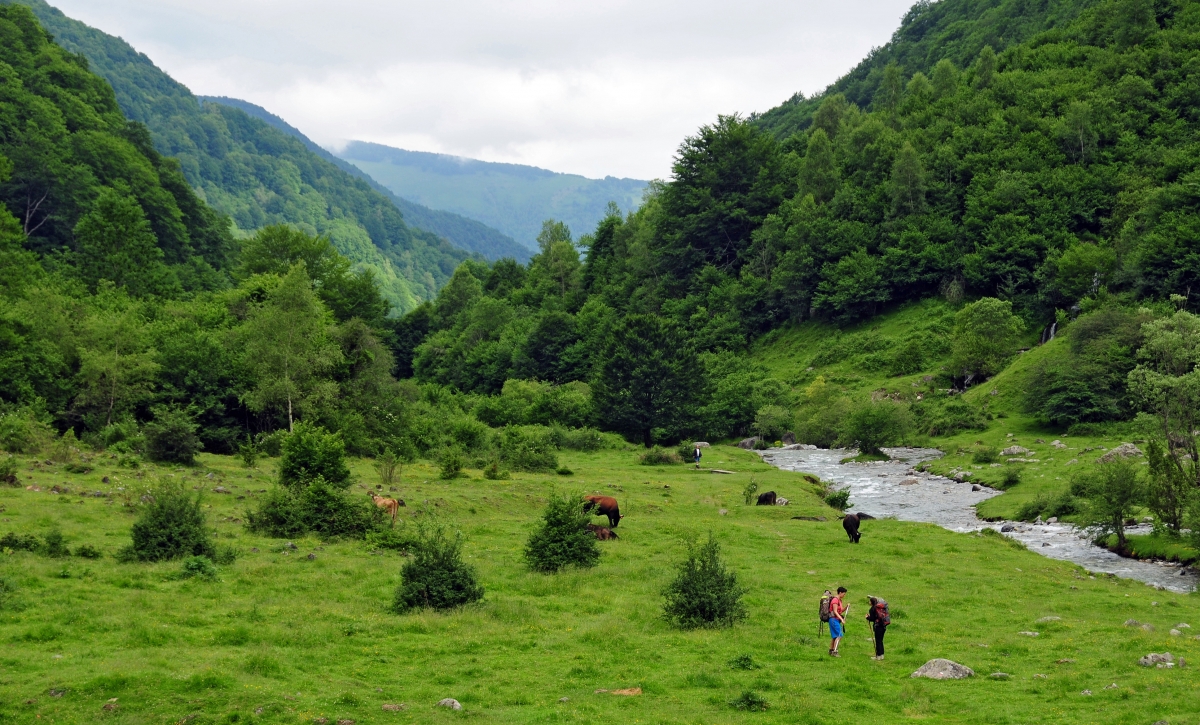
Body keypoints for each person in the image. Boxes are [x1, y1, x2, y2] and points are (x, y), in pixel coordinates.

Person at [866, 595, 890, 660]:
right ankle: (882, 655)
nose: (869, 602)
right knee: (881, 641)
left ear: (871, 602)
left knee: (878, 641)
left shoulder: (872, 609)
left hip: (878, 626)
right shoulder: (880, 608)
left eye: (869, 601)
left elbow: (873, 618)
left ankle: (878, 656)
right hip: (883, 626)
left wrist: (867, 617)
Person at [828, 586, 847, 657]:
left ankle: (831, 650)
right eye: (844, 594)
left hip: (835, 619)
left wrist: (846, 607)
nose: (844, 595)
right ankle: (835, 651)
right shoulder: (835, 600)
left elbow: (840, 611)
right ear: (840, 593)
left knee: (834, 636)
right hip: (833, 619)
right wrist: (842, 619)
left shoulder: (839, 600)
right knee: (839, 635)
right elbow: (835, 612)